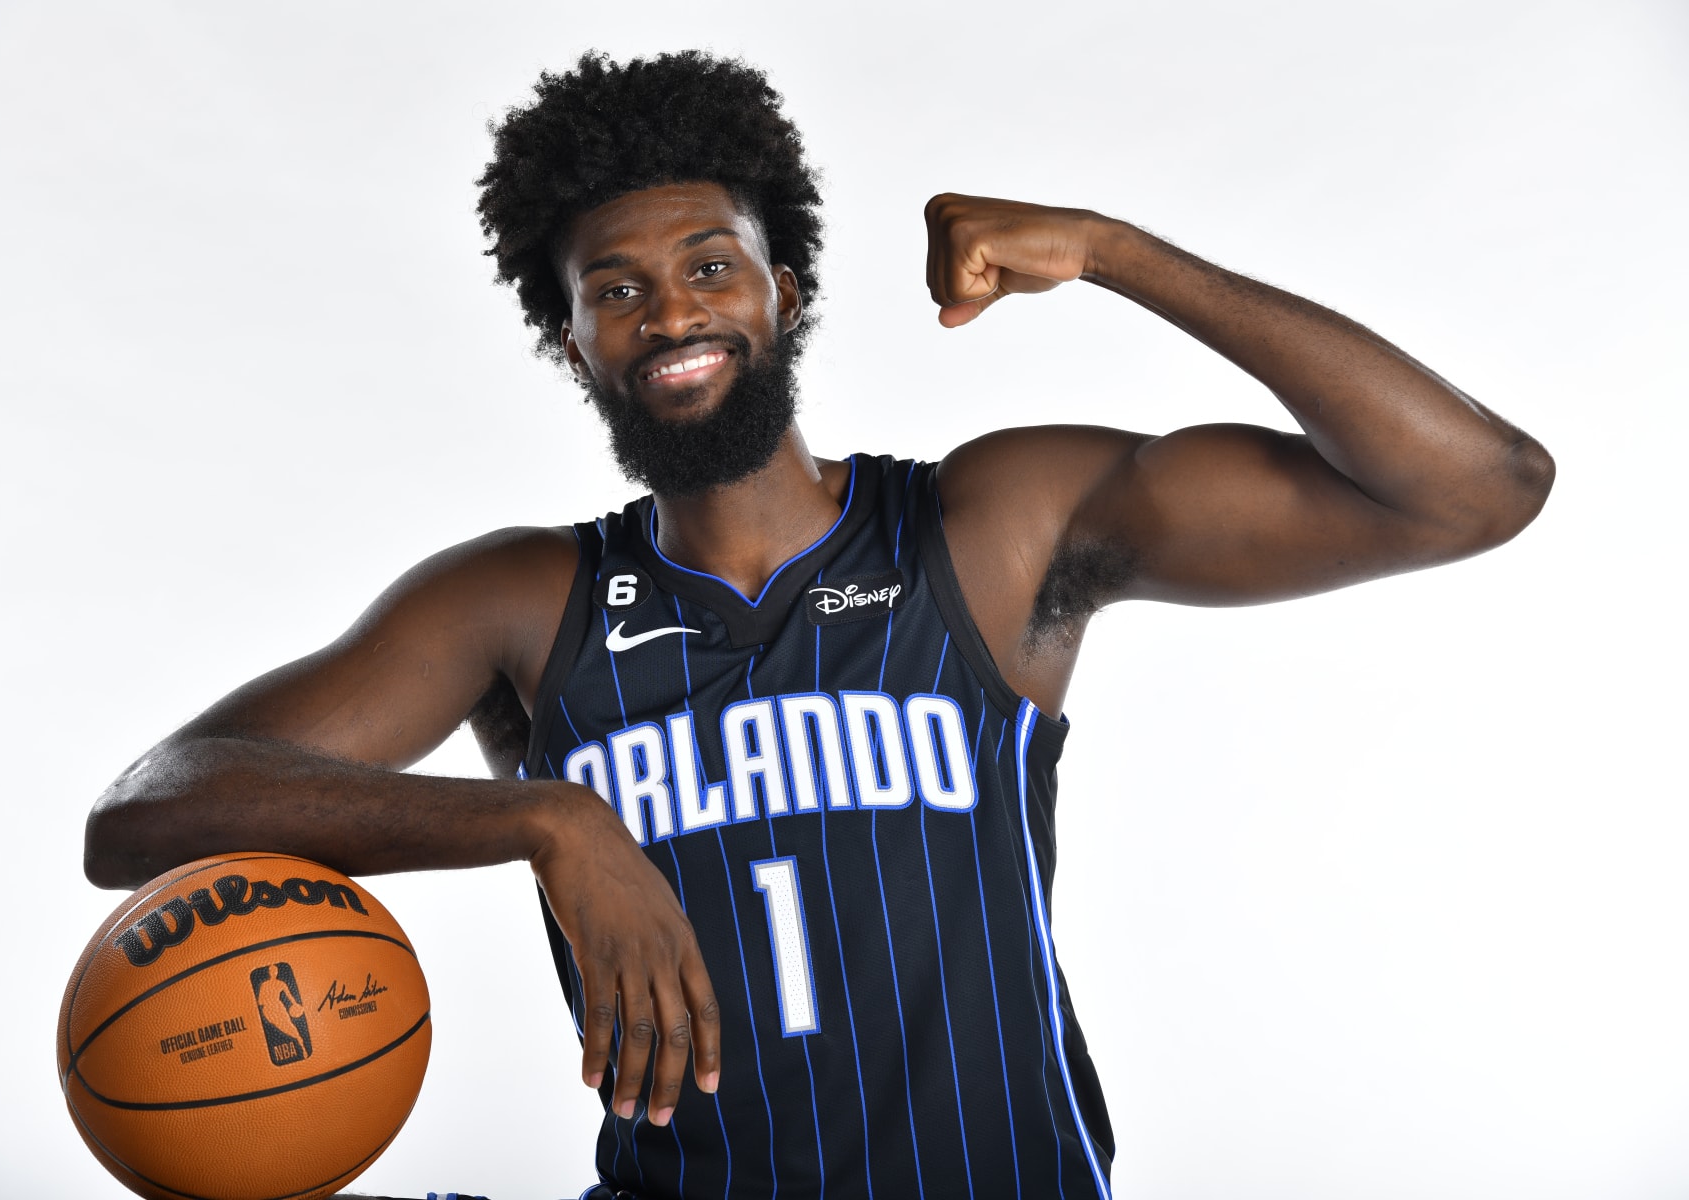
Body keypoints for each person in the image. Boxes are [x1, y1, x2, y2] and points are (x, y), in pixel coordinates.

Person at [83, 50, 1553, 1199]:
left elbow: (1473, 490)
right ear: (572, 336)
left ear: (785, 290)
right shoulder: (521, 604)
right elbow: (148, 813)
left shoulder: (986, 533)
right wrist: (548, 822)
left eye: (709, 265)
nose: (671, 313)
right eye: (617, 290)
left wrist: (1115, 250)